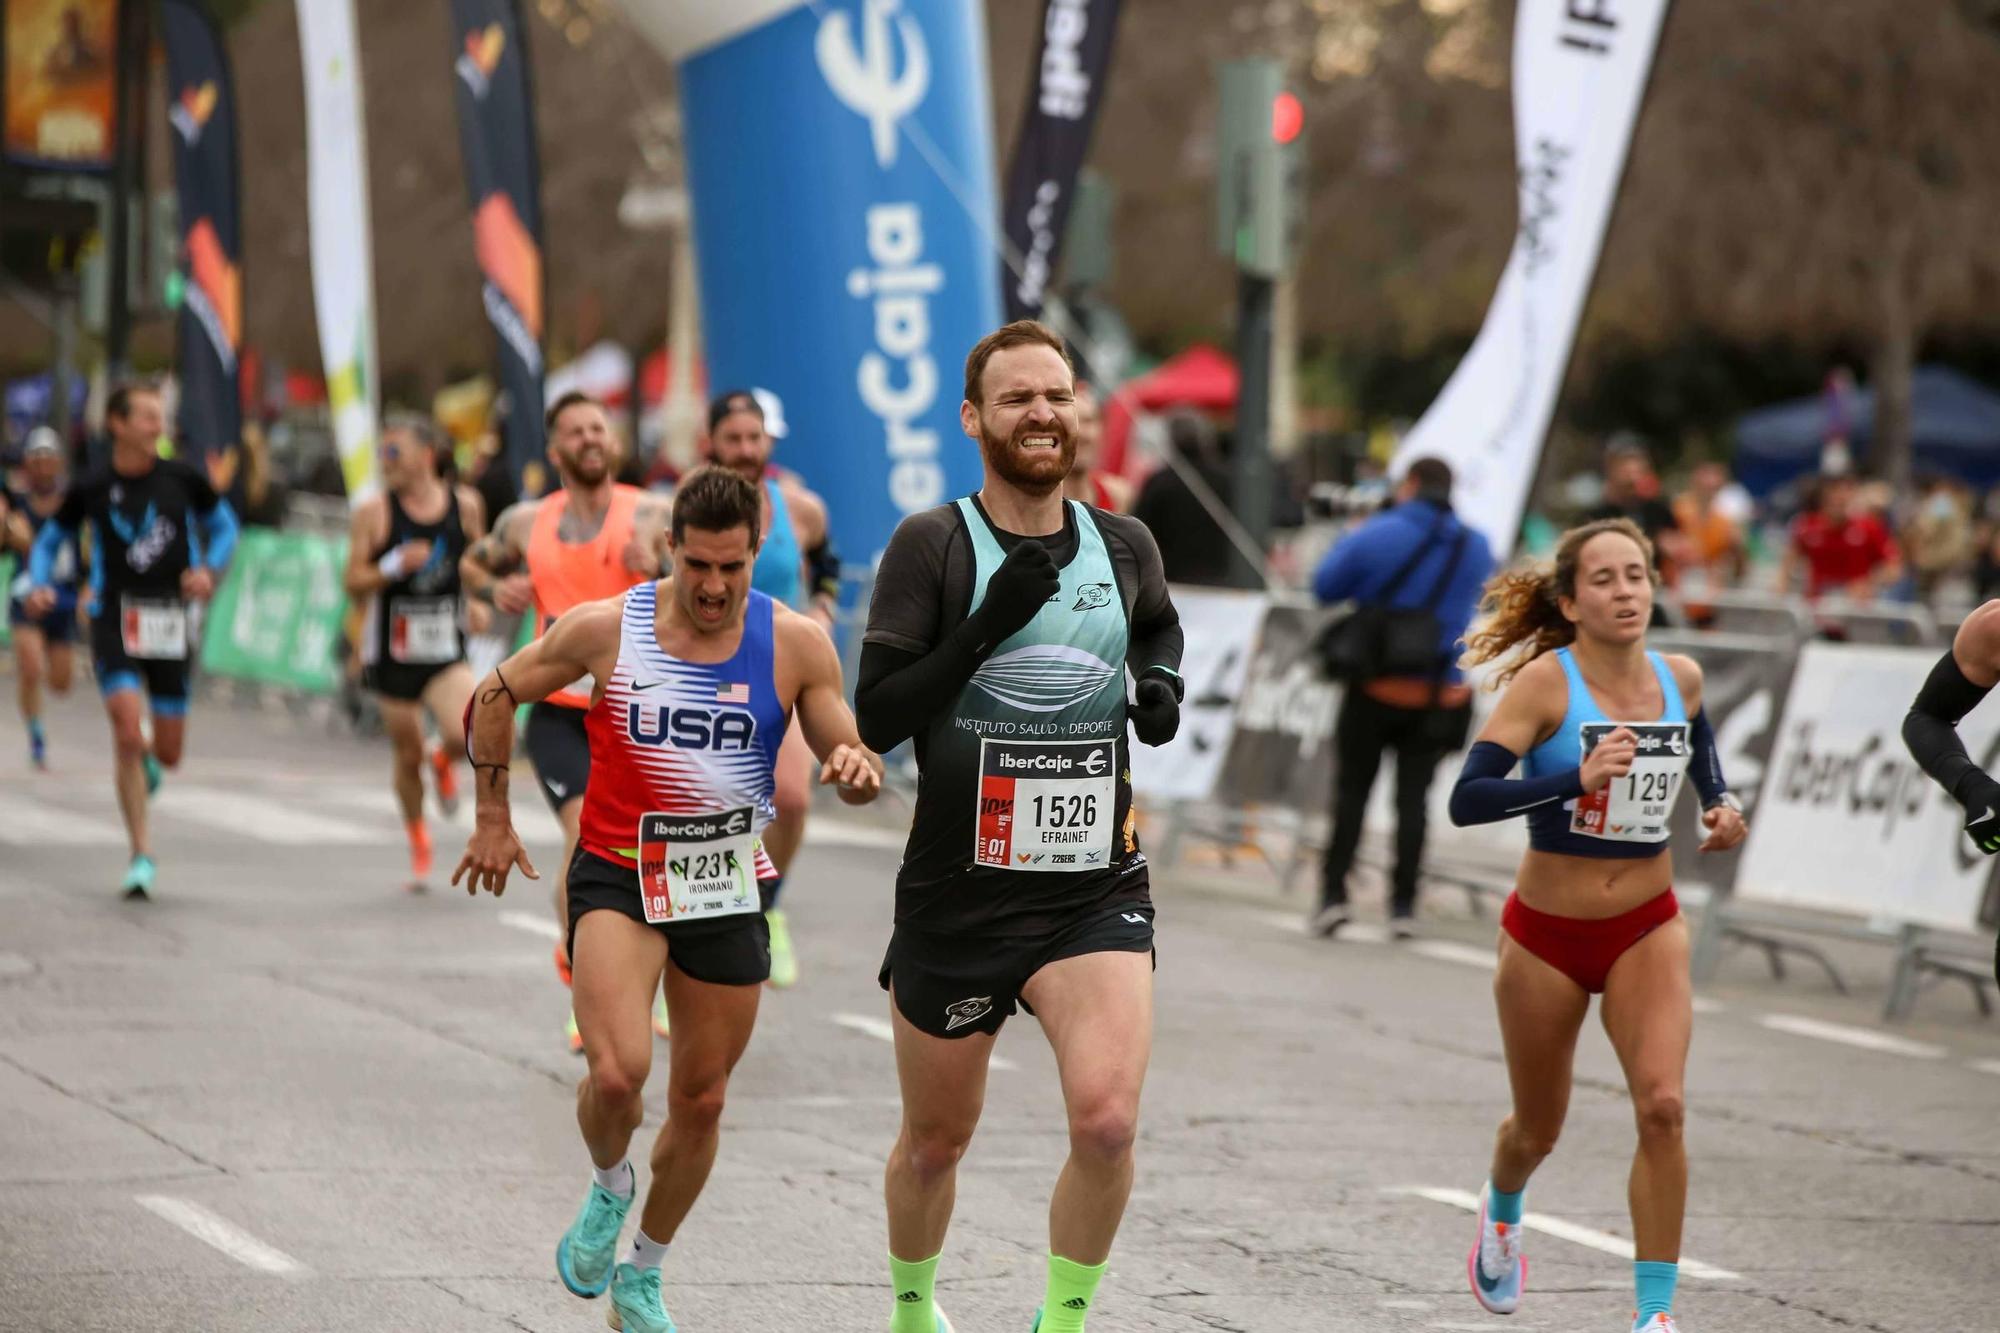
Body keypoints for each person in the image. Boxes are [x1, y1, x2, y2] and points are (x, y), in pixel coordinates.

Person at [453, 465, 884, 1333]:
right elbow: (496, 691)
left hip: (722, 883)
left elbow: (847, 744)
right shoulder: (611, 628)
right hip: (617, 872)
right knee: (616, 1076)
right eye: (699, 567)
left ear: (756, 551)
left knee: (703, 1099)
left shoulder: (796, 643)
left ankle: (643, 1273)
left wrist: (856, 768)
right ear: (670, 551)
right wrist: (493, 815)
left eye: (733, 567)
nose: (716, 587)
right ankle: (611, 1184)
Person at [857, 320, 1185, 1333]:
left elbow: (1157, 623)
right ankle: (914, 1309)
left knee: (1106, 1121)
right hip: (960, 893)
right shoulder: (933, 543)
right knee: (933, 1143)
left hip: (1091, 884)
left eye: (1056, 394)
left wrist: (1160, 681)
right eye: (1015, 399)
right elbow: (879, 714)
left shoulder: (1122, 541)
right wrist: (984, 624)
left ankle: (1060, 1323)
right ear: (974, 419)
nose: (1040, 414)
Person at [1444, 517, 1747, 1333]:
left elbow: (1699, 745)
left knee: (1664, 1106)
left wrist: (1718, 802)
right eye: (1606, 579)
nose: (1626, 591)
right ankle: (1503, 1206)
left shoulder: (1679, 677)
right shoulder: (1547, 683)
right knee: (1537, 1126)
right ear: (1572, 602)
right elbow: (1467, 799)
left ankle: (1654, 1315)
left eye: (1638, 575)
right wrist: (1573, 779)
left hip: (1647, 923)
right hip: (1545, 933)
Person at [460, 390, 674, 1051]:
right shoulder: (527, 521)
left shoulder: (653, 512)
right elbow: (472, 562)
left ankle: (640, 984)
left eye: (599, 428)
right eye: (576, 431)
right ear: (554, 451)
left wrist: (659, 562)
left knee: (652, 849)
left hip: (636, 707)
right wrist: (491, 589)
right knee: (587, 836)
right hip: (558, 711)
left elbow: (701, 582)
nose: (590, 438)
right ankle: (590, 987)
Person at [23, 383, 239, 897]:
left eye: (158, 415)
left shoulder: (184, 479)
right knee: (124, 729)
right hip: (112, 615)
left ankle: (148, 765)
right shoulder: (93, 485)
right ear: (116, 424)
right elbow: (51, 538)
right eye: (144, 416)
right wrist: (36, 582)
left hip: (168, 618)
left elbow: (227, 527)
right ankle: (141, 853)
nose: (156, 424)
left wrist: (208, 571)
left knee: (167, 753)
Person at [1308, 457, 1495, 938]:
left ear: (1410, 484)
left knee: (1352, 793)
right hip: (1438, 695)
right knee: (1414, 802)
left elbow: (1325, 586)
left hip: (1374, 686)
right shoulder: (1477, 546)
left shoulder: (1380, 531)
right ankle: (1403, 907)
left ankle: (1332, 898)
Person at [705, 388, 843, 989]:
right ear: (713, 443)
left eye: (753, 438)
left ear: (768, 443)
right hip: (707, 672)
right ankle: (690, 943)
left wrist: (824, 611)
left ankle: (768, 906)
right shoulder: (688, 506)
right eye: (732, 438)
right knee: (710, 811)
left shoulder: (800, 508)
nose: (743, 449)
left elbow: (828, 565)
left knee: (790, 801)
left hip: (779, 672)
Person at [343, 414, 486, 887]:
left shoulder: (464, 504)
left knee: (470, 726)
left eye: (394, 452)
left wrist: (480, 600)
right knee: (406, 756)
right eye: (383, 453)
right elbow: (352, 582)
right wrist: (390, 566)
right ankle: (419, 835)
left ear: (427, 454)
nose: (386, 463)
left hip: (445, 647)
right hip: (393, 652)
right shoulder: (375, 512)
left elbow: (476, 562)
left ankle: (444, 758)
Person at [4, 428, 83, 768]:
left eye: (48, 460)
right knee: (31, 666)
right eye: (35, 460)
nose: (42, 467)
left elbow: (88, 550)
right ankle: (36, 733)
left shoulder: (73, 504)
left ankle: (38, 702)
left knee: (61, 683)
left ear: (59, 463)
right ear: (26, 465)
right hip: (27, 597)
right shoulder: (17, 506)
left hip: (63, 599)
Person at [1129, 410, 1241, 587]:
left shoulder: (1159, 482)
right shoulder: (1229, 480)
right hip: (1222, 582)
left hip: (1172, 582)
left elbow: (1139, 531)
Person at [1777, 472, 1902, 613]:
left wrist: (1869, 583)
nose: (1838, 500)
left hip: (1856, 609)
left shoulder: (1869, 528)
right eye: (1834, 494)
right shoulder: (1807, 526)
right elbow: (1789, 557)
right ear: (1824, 498)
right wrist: (1782, 582)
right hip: (1817, 607)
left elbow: (1894, 567)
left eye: (1844, 497)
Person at [1668, 462, 1745, 626]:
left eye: (1714, 488)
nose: (1709, 492)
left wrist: (1738, 550)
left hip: (1709, 599)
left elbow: (1739, 570)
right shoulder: (1677, 512)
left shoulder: (1725, 523)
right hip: (1675, 594)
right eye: (1705, 486)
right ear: (1694, 484)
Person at [1062, 382, 1131, 513]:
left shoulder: (1117, 495)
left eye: (1088, 421)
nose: (1082, 434)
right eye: (1073, 421)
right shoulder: (1038, 498)